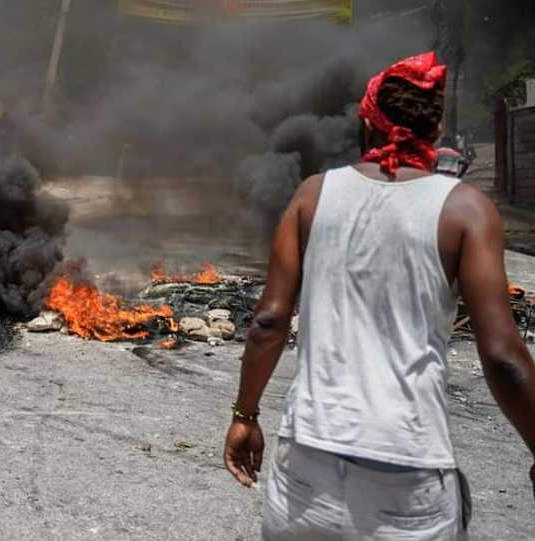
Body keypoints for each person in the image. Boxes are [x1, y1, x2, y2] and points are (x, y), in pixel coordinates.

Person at [223, 52, 535, 539]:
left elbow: (268, 321)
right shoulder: (466, 211)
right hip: (407, 469)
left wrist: (245, 415)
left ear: (367, 123)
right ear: (433, 133)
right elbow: (502, 356)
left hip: (307, 461)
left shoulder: (311, 195)